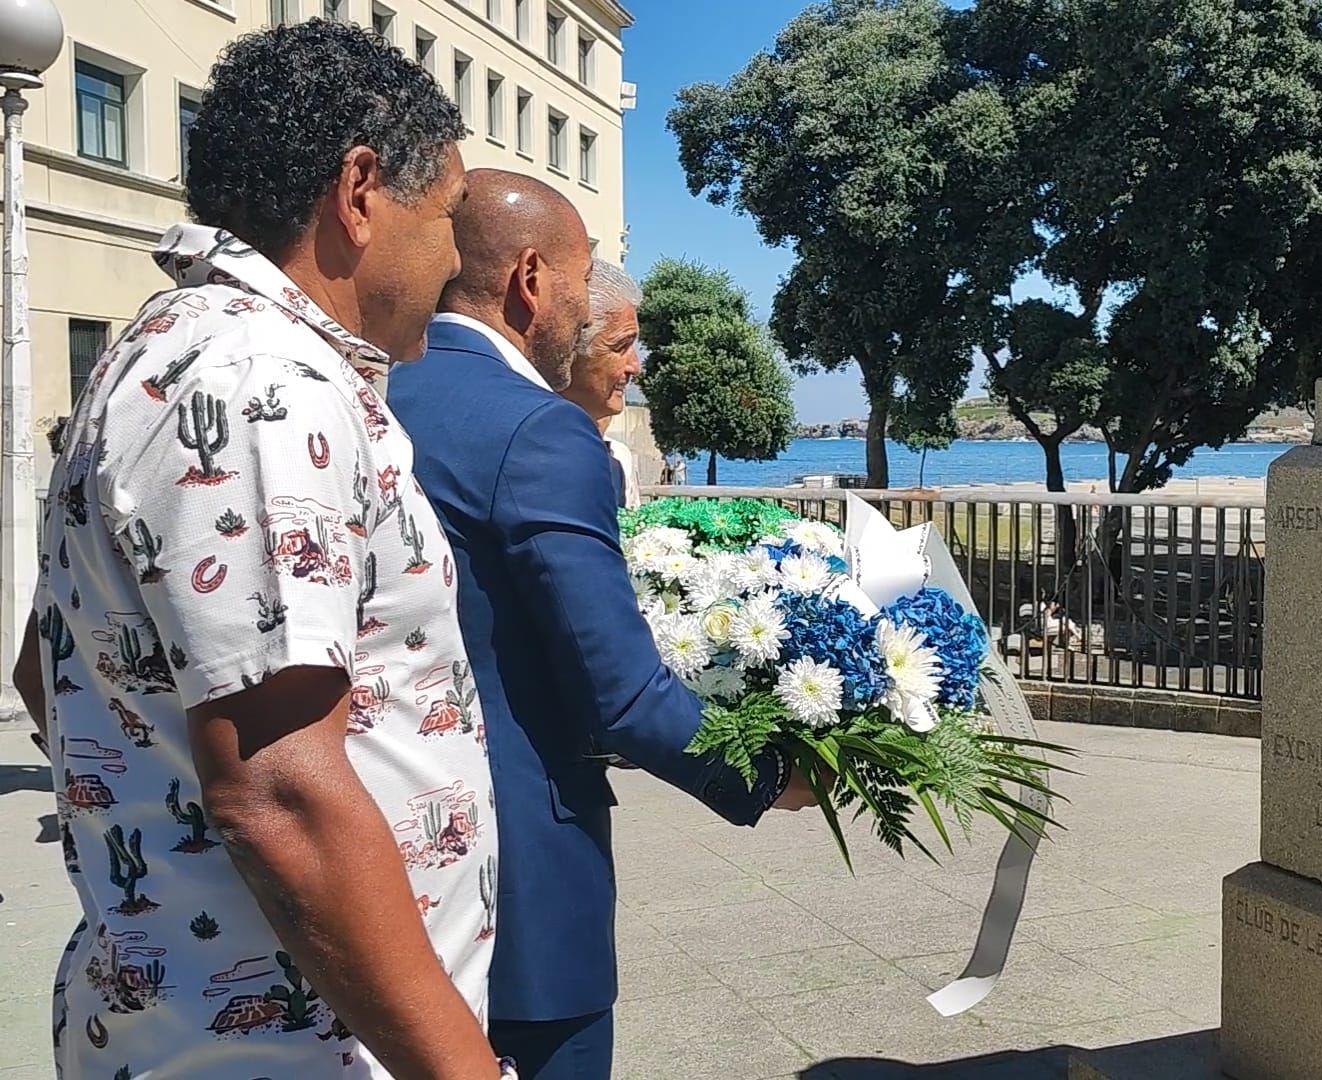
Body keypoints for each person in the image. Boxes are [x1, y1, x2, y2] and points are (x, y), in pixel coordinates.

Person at [10, 21, 511, 1080]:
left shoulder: (167, 349)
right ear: (360, 190)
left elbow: (45, 674)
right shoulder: (263, 383)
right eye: (448, 216)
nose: (458, 258)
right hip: (293, 1053)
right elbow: (279, 790)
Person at [387, 170, 815, 1080]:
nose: (589, 310)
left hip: (385, 851)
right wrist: (774, 774)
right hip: (521, 877)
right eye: (584, 282)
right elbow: (616, 689)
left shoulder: (376, 393)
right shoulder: (538, 429)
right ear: (532, 280)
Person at [563, 258, 645, 509]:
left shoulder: (616, 464)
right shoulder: (526, 455)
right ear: (569, 348)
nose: (635, 367)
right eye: (621, 346)